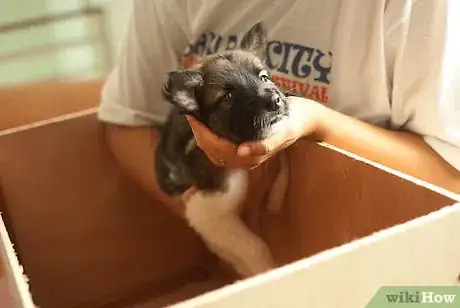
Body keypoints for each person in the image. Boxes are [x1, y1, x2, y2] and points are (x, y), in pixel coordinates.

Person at [97, 0, 460, 216]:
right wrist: (213, 216)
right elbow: (127, 121)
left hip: (385, 264)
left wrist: (317, 124)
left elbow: (450, 178)